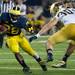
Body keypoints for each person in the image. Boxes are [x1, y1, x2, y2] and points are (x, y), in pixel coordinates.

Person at [0, 6, 47, 73]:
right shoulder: (3, 15)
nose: (15, 17)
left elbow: (30, 29)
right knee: (16, 52)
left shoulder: (22, 20)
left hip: (20, 36)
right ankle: (25, 67)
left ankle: (40, 62)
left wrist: (30, 30)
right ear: (10, 14)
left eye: (17, 15)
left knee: (30, 51)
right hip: (11, 37)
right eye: (14, 15)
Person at [29, 2, 75, 68]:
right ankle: (63, 61)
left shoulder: (60, 12)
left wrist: (37, 35)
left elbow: (49, 25)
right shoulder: (73, 10)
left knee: (50, 41)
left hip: (70, 27)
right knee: (73, 44)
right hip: (70, 27)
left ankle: (50, 55)